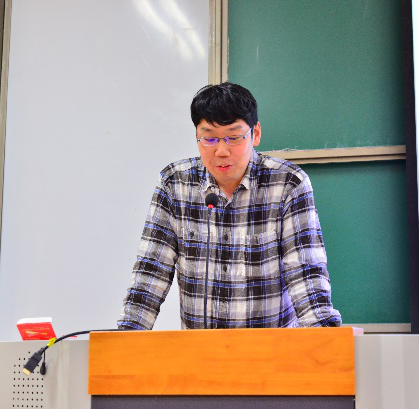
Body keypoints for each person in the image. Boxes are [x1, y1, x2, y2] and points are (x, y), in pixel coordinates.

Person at [118, 82, 341, 329]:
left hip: (271, 348)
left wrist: (325, 336)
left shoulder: (288, 183)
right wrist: (128, 334)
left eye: (234, 137)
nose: (221, 151)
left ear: (255, 134)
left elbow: (306, 274)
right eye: (209, 138)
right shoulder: (174, 183)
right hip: (201, 349)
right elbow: (151, 271)